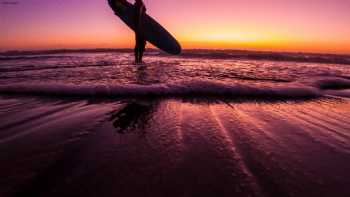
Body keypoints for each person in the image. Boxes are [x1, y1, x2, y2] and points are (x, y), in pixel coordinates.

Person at [134, 0, 147, 64]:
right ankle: (138, 60)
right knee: (140, 43)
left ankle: (138, 60)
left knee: (140, 43)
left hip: (140, 27)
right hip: (139, 27)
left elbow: (143, 12)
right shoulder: (138, 4)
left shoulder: (139, 3)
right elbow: (139, 14)